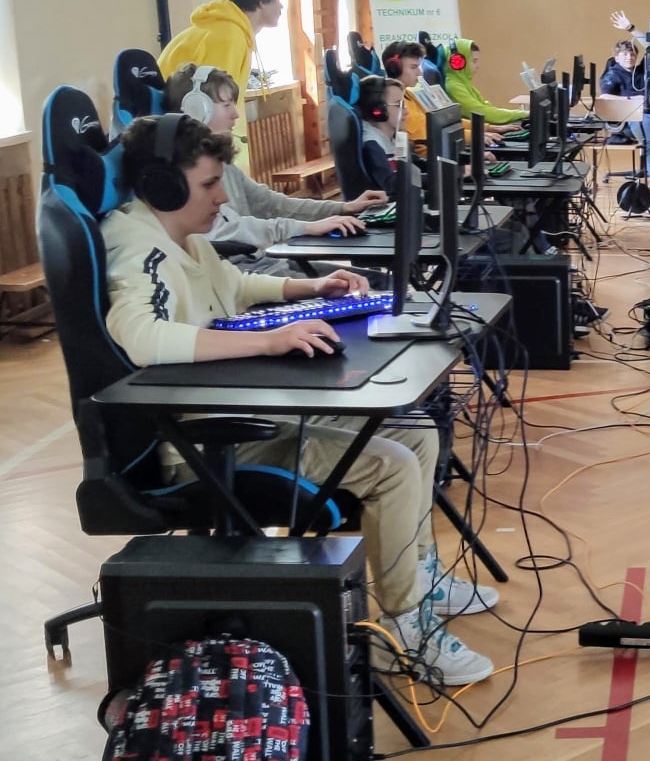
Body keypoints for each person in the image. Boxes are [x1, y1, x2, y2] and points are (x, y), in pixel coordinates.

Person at [104, 114, 499, 686]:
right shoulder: (138, 246)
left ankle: (420, 577)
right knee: (392, 463)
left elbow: (234, 285)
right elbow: (141, 337)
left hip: (243, 408)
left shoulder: (178, 236)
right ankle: (402, 630)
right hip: (204, 442)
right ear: (162, 186)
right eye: (210, 184)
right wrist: (268, 339)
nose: (222, 197)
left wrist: (311, 287)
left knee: (415, 430)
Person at [161, 63, 386, 278]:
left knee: (378, 282)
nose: (235, 114)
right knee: (373, 288)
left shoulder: (224, 165)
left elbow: (272, 204)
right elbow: (228, 229)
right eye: (227, 105)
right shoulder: (186, 176)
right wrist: (306, 227)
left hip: (267, 264)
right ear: (197, 109)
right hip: (247, 276)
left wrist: (343, 208)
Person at [159, 0, 289, 171]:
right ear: (260, 0)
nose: (282, 6)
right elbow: (212, 113)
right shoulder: (228, 37)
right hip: (188, 152)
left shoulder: (231, 31)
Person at [382, 40, 504, 158]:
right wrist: (476, 136)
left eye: (419, 67)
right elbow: (432, 132)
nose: (419, 73)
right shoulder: (397, 106)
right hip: (433, 162)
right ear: (394, 68)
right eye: (413, 67)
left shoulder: (409, 95)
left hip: (444, 155)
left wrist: (487, 128)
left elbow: (445, 122)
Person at [599, 34, 650, 190]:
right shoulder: (613, 75)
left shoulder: (642, 70)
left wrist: (632, 29)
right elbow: (604, 97)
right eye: (625, 54)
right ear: (616, 58)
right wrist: (632, 99)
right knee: (649, 142)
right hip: (634, 119)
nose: (629, 57)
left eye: (632, 54)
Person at [440, 39, 528, 126]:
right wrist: (522, 114)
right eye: (474, 61)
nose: (478, 66)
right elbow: (482, 113)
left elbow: (486, 107)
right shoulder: (453, 86)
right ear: (458, 62)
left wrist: (519, 113)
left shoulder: (463, 82)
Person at [355, 75, 416, 197]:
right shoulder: (371, 143)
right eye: (399, 105)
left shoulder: (393, 137)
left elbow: (412, 164)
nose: (406, 111)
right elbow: (390, 184)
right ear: (379, 110)